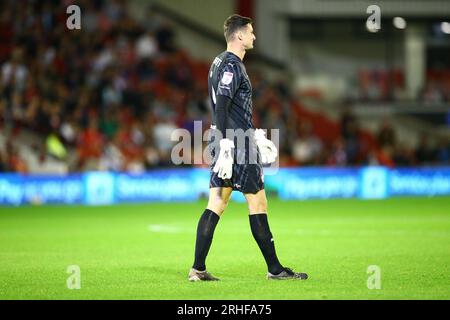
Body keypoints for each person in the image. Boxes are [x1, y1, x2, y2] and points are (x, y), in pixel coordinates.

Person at [188, 14, 308, 281]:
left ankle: (197, 269)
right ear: (239, 36)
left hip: (232, 142)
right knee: (258, 202)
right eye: (251, 32)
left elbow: (226, 108)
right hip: (236, 146)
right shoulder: (232, 65)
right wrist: (227, 141)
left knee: (217, 202)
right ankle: (275, 270)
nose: (254, 36)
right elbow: (222, 103)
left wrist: (247, 133)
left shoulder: (217, 61)